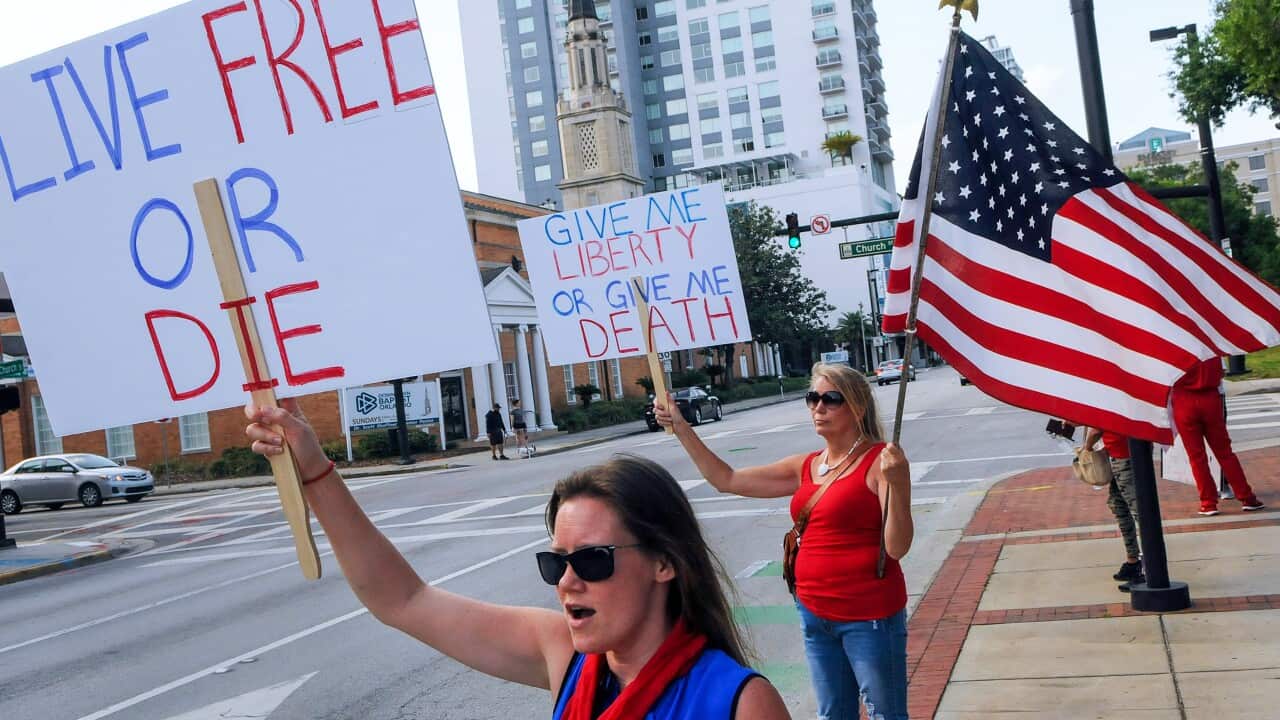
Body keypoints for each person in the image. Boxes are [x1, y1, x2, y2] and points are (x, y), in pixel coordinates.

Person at [245, 402, 791, 719]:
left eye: (594, 560)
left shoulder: (740, 703)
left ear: (664, 563)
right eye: (556, 564)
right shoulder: (566, 658)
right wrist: (315, 471)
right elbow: (403, 600)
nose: (569, 582)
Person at [656, 362, 912, 720]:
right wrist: (682, 429)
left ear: (857, 406)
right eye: (812, 398)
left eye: (830, 399)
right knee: (833, 714)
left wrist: (898, 483)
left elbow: (897, 547)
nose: (818, 408)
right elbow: (726, 479)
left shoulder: (880, 462)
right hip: (814, 613)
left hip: (868, 617)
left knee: (885, 714)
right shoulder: (805, 466)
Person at [1172, 358, 1264, 516]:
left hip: (1183, 400)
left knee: (1196, 457)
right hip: (1210, 399)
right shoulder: (1211, 346)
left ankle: (1208, 502)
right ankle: (1246, 497)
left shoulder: (1177, 348)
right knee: (1225, 452)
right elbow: (1222, 372)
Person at [1081, 427, 1144, 591]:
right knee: (1119, 505)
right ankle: (1133, 560)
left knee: (1138, 510)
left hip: (1124, 455)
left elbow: (1096, 429)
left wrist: (1086, 449)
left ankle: (1147, 568)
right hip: (1120, 453)